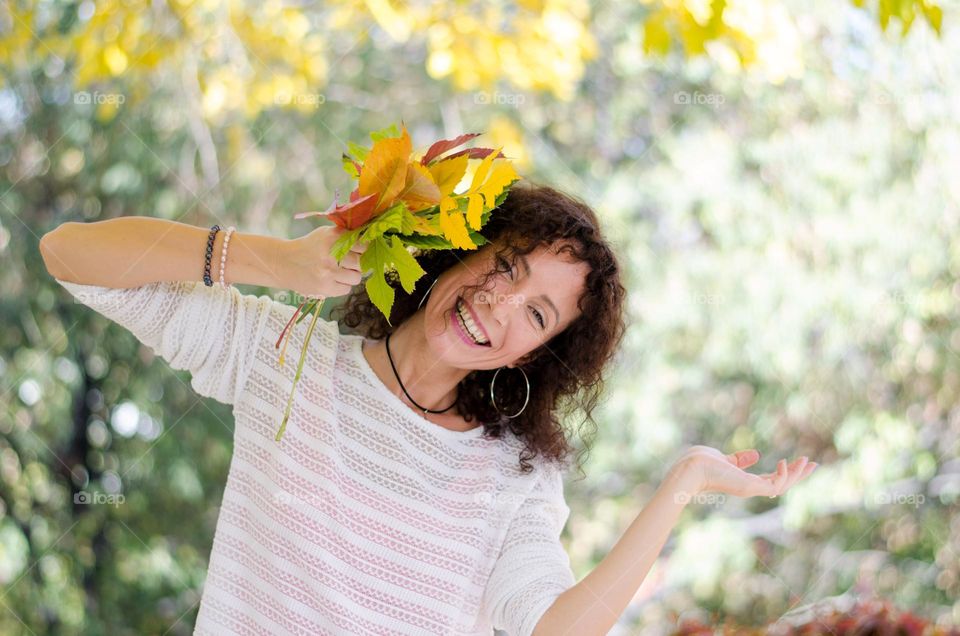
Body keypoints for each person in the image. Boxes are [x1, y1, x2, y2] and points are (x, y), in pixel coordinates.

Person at [40, 181, 816, 635]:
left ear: (532, 357)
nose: (500, 301)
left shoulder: (513, 478)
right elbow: (72, 257)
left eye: (538, 315)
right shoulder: (284, 354)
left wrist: (682, 483)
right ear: (462, 251)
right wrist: (272, 261)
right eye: (506, 264)